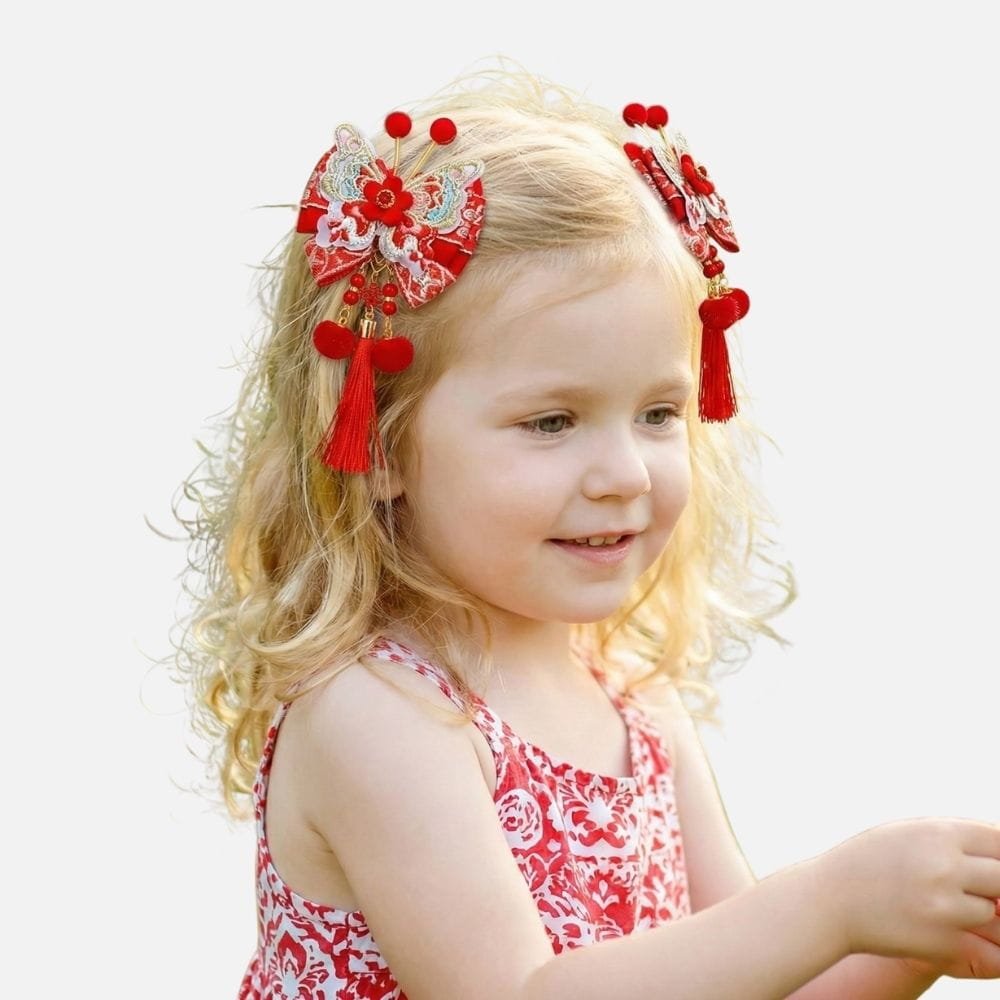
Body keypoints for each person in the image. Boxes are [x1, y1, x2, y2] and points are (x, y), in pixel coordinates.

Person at [170, 59, 1000, 1000]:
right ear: (384, 445)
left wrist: (913, 937)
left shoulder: (633, 702)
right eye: (552, 422)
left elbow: (749, 983)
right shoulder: (380, 714)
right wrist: (829, 903)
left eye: (658, 413)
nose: (626, 474)